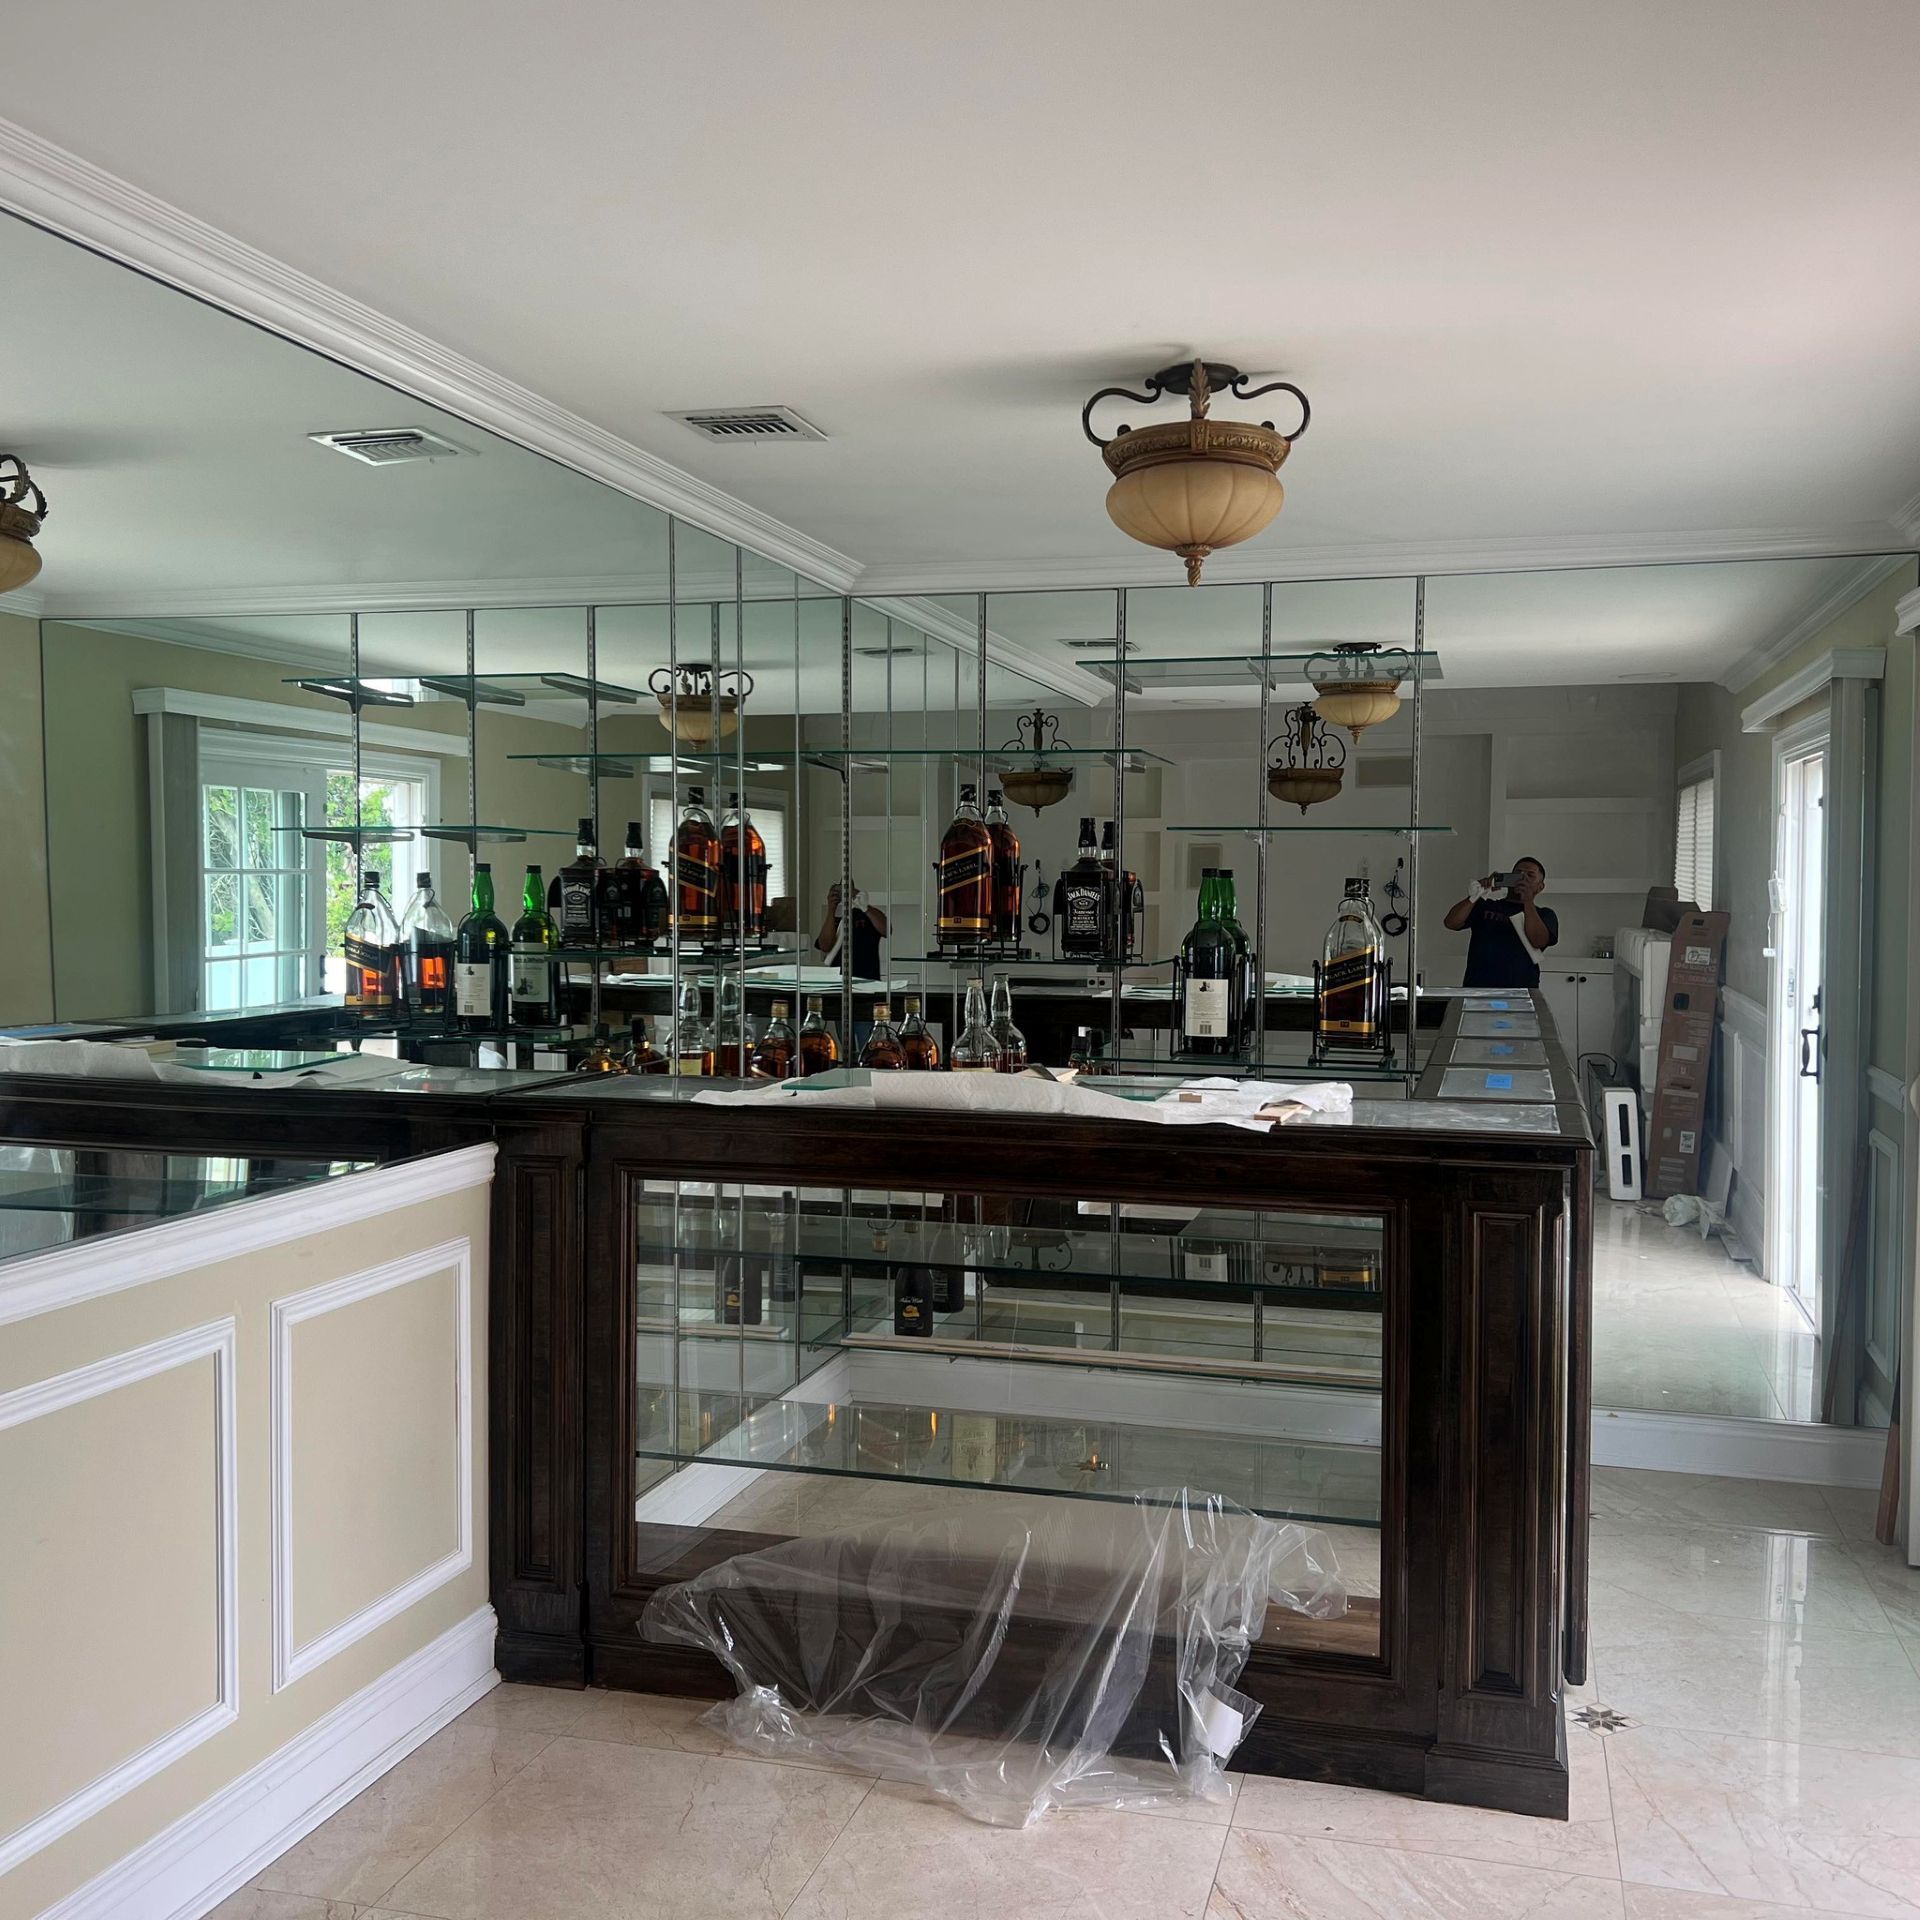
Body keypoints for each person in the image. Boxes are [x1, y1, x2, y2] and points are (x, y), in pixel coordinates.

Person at [1443, 857, 1558, 988]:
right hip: (1477, 988)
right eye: (1518, 874)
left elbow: (1538, 941)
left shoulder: (1544, 914)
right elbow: (1451, 923)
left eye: (1530, 876)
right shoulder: (1485, 906)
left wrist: (1528, 901)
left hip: (1521, 989)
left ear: (1540, 887)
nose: (1522, 879)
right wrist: (1475, 895)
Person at [814, 882, 889, 981]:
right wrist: (831, 909)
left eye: (848, 889)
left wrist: (865, 907)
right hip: (837, 981)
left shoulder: (868, 917)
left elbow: (887, 930)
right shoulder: (835, 921)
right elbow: (825, 946)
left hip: (868, 980)